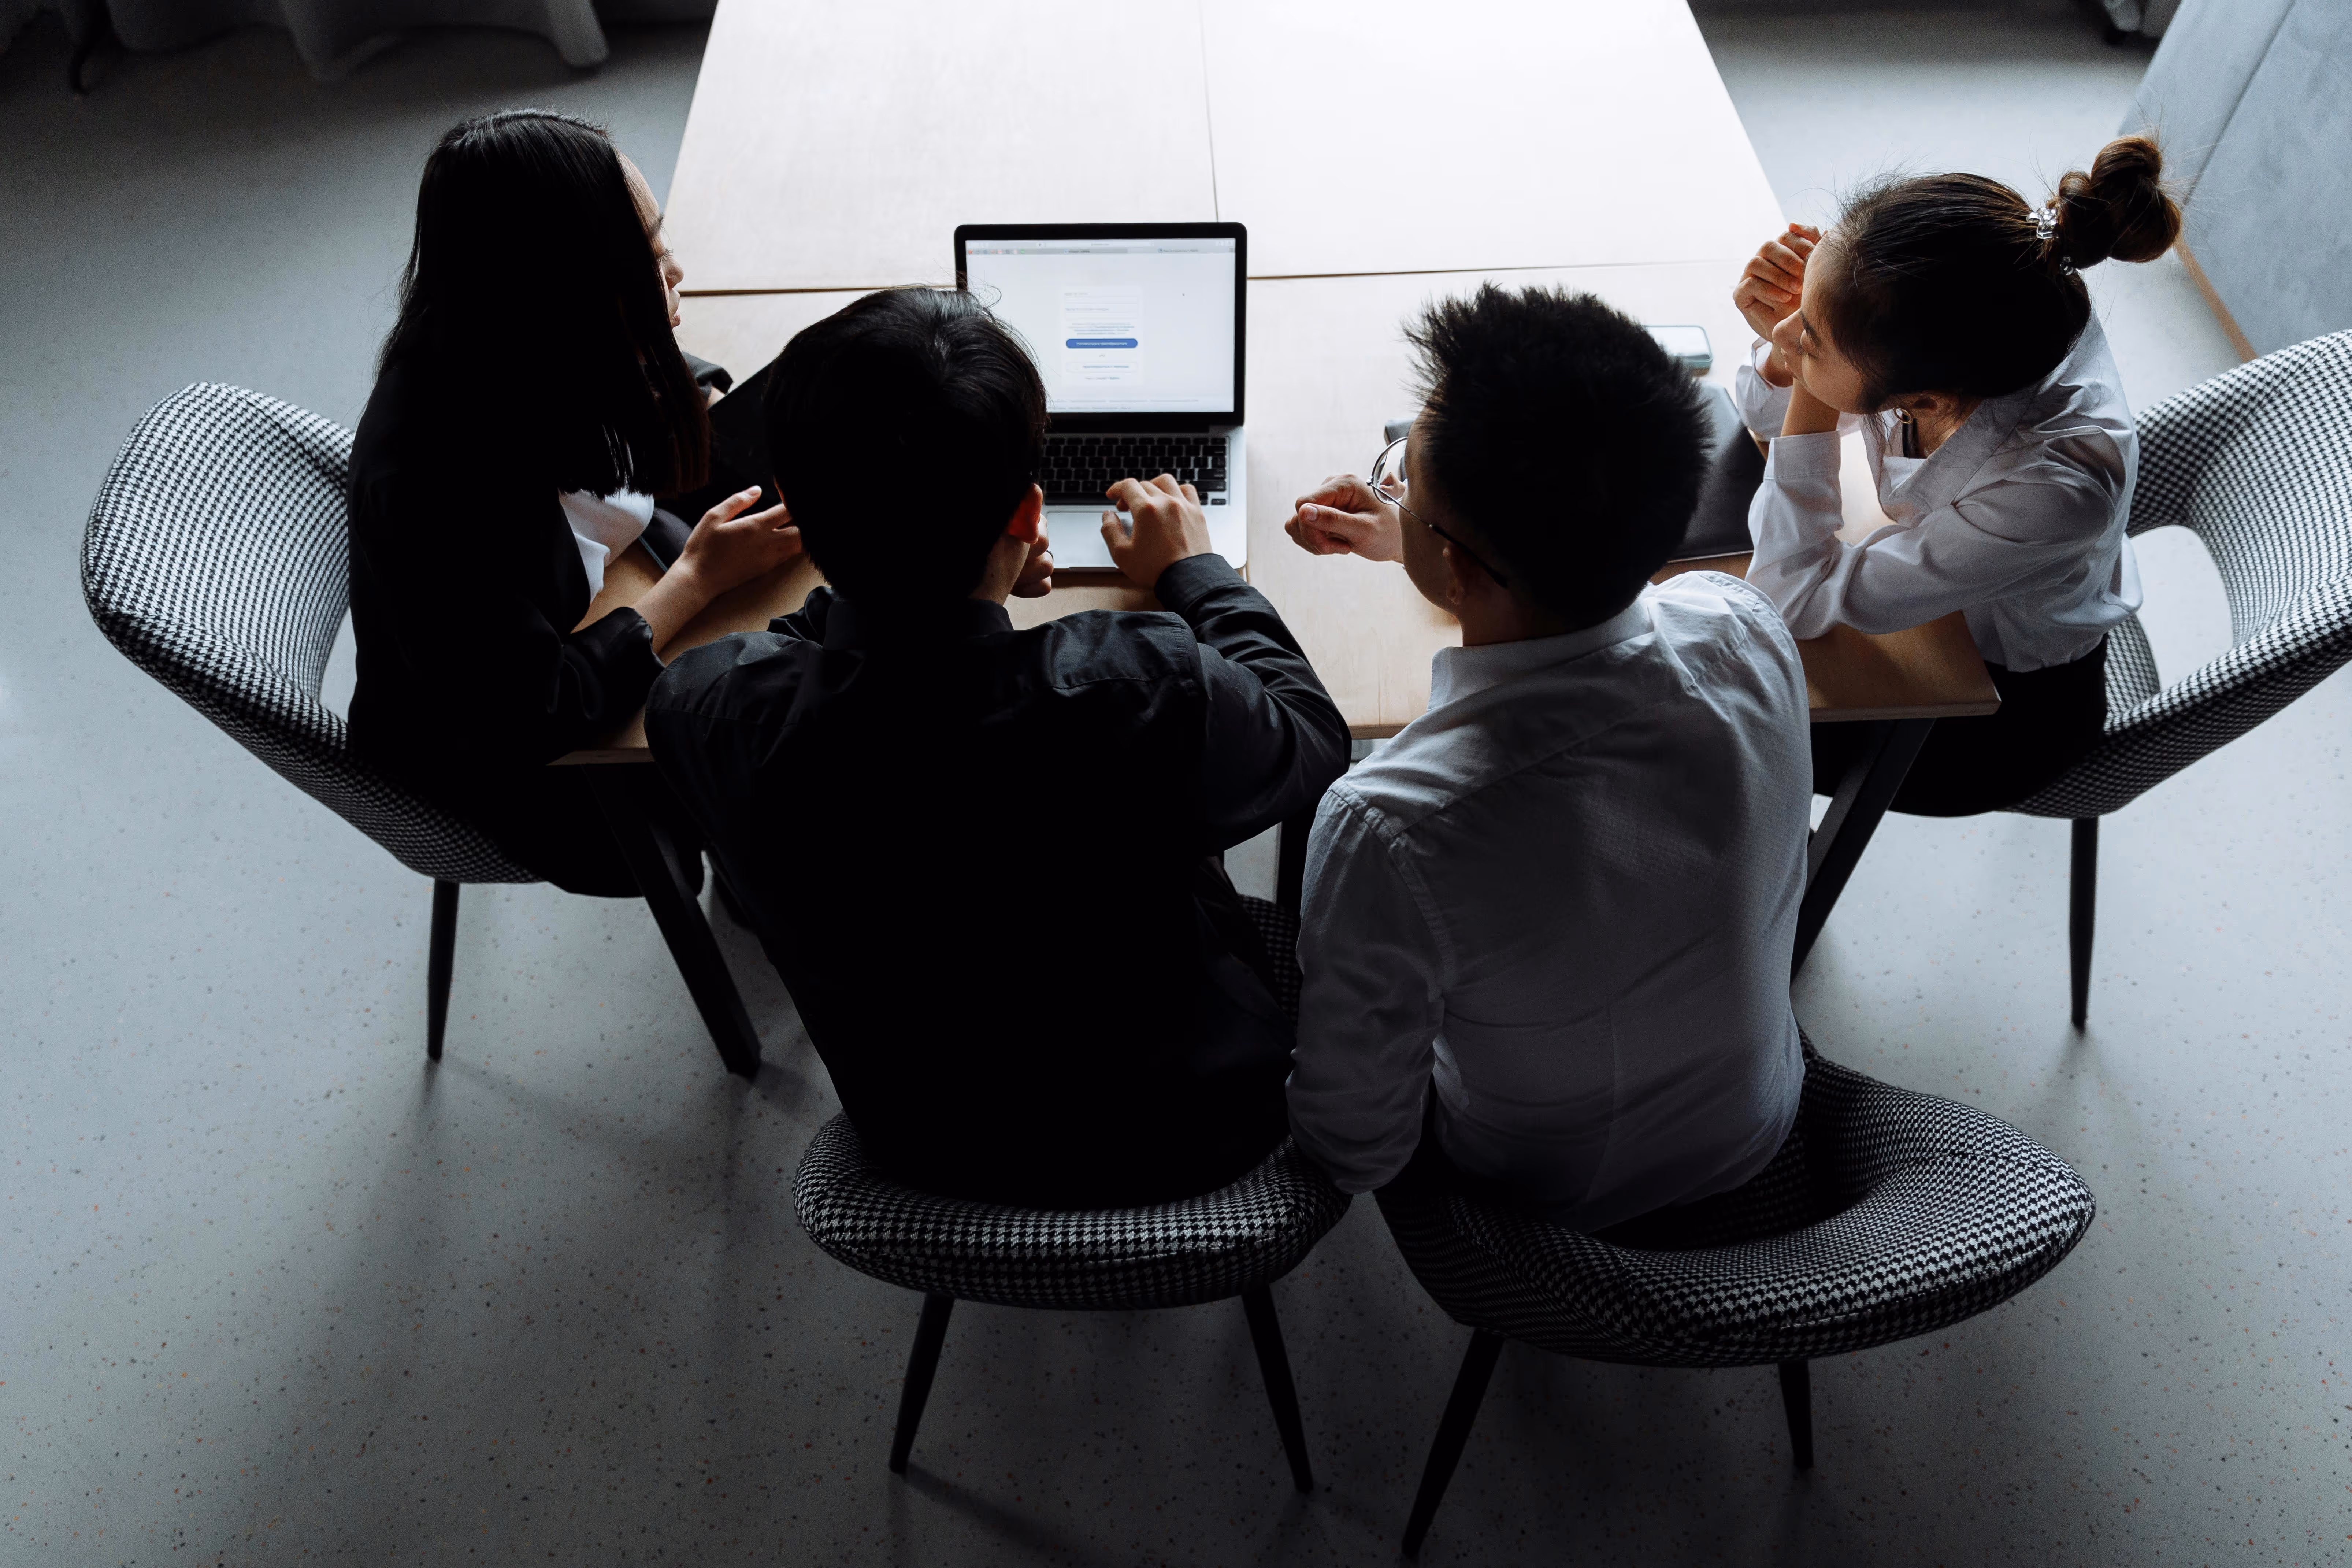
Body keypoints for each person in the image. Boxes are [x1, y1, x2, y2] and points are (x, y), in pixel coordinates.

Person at [645, 287, 1350, 1209]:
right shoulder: (1143, 683)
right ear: (1029, 514)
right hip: (1190, 1130)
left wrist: (921, 591)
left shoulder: (705, 708)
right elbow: (1311, 736)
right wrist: (1194, 572)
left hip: (925, 1148)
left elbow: (793, 658)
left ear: (799, 517)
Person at [1280, 286, 1812, 1227]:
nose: (1394, 497)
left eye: (1404, 488)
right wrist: (1422, 546)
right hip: (1756, 1125)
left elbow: (1356, 1146)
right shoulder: (1744, 627)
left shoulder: (1389, 825)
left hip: (1541, 1201)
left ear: (1459, 571)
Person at [346, 109, 802, 896]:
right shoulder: (439, 489)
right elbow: (537, 710)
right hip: (538, 776)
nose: (678, 274)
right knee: (808, 743)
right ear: (568, 295)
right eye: (650, 259)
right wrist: (694, 581)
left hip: (589, 602)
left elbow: (646, 399)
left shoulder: (515, 344)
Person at [1730, 135, 2182, 814]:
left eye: (1806, 336)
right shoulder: (2006, 299)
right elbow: (1762, 415)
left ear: (1927, 401)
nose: (1782, 333)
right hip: (1946, 594)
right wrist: (1818, 325)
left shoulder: (2052, 486)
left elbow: (1788, 597)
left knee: (1714, 724)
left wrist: (1809, 373)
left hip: (2003, 716)